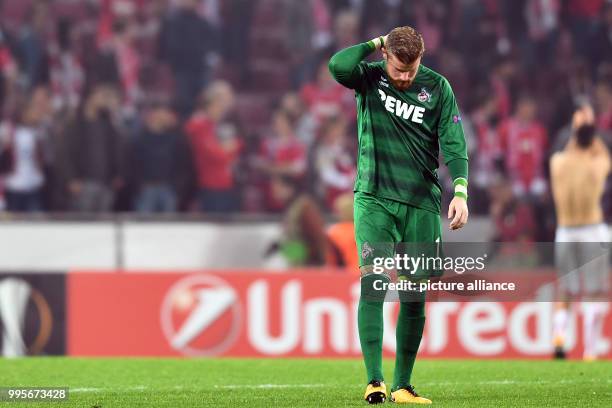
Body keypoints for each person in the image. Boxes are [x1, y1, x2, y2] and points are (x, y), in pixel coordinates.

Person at [329, 26, 469, 404]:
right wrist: (376, 43)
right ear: (386, 56)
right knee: (374, 281)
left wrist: (460, 191)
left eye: (411, 69)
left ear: (421, 58)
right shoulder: (370, 76)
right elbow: (337, 65)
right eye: (398, 68)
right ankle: (374, 381)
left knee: (413, 294)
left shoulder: (438, 87)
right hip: (374, 198)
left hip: (421, 203)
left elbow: (454, 144)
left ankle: (402, 385)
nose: (404, 77)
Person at [550, 105, 611, 361]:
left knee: (566, 288)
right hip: (592, 229)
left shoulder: (558, 163)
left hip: (565, 230)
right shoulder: (597, 163)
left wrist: (578, 126)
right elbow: (601, 151)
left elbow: (569, 146)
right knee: (595, 289)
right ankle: (590, 348)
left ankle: (560, 336)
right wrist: (589, 125)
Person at [185, 81, 241, 213]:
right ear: (209, 105)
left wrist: (232, 147)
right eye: (218, 106)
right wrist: (230, 149)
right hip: (210, 185)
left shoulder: (217, 124)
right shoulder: (199, 125)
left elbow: (239, 144)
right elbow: (217, 156)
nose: (222, 110)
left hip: (227, 183)